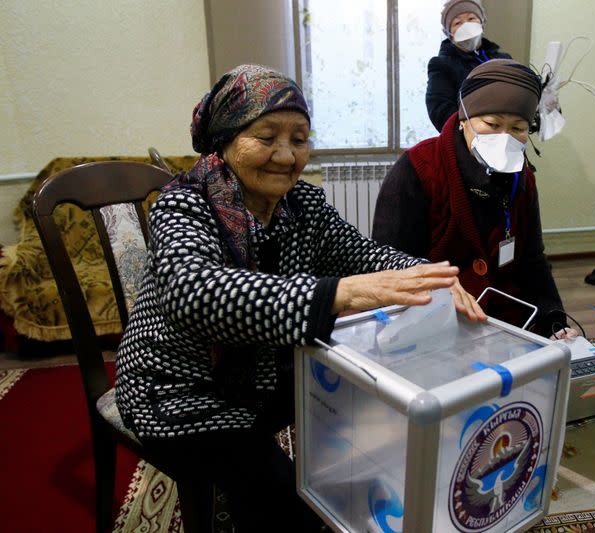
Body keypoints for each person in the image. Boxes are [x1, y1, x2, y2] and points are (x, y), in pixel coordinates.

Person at [114, 64, 483, 531]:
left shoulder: (301, 203)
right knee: (285, 504)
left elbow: (361, 254)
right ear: (226, 140)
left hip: (263, 370)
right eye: (266, 136)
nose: (287, 156)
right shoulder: (184, 204)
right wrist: (338, 294)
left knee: (371, 411)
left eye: (300, 138)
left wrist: (426, 275)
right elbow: (196, 294)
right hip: (178, 389)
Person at [373, 59, 576, 340]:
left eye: (518, 129)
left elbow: (533, 261)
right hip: (434, 330)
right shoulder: (418, 170)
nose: (504, 138)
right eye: (492, 124)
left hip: (507, 328)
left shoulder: (523, 178)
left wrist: (554, 323)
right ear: (463, 118)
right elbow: (390, 265)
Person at [426, 0, 512, 132]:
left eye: (471, 18)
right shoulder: (441, 65)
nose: (466, 25)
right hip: (467, 144)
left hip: (507, 136)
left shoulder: (505, 60)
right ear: (449, 33)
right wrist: (473, 130)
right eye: (457, 23)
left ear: (482, 23)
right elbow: (439, 111)